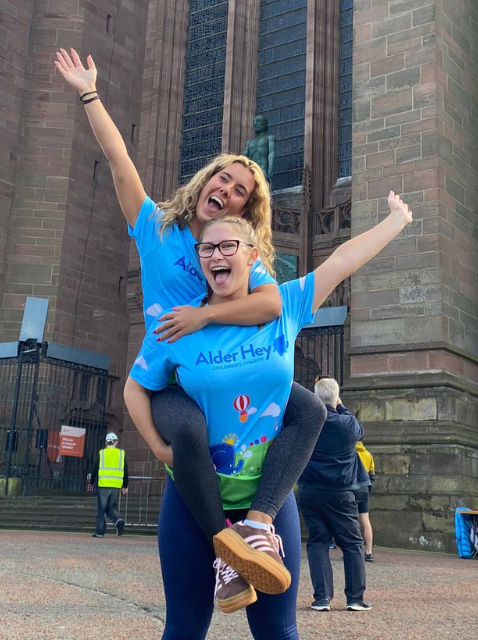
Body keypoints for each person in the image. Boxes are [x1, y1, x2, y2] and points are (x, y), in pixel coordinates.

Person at [55, 46, 326, 578]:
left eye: (240, 191)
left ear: (244, 210)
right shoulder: (155, 227)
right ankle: (226, 546)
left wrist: (203, 317)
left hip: (225, 364)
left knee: (312, 410)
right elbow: (120, 161)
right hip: (174, 374)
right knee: (191, 430)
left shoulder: (239, 253)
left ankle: (257, 522)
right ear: (206, 181)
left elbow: (272, 303)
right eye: (222, 179)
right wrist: (90, 93)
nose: (226, 190)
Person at [125, 195, 412, 636]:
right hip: (193, 500)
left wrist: (396, 221)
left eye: (228, 246)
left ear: (252, 255)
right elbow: (137, 386)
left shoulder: (285, 306)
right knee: (183, 629)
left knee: (278, 632)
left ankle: (252, 531)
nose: (216, 255)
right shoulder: (178, 323)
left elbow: (341, 261)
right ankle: (226, 549)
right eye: (207, 248)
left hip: (267, 499)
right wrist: (159, 447)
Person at [297, 376, 372, 612]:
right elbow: (359, 431)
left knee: (318, 542)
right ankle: (355, 598)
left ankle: (322, 598)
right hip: (340, 491)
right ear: (337, 398)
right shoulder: (347, 423)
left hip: (310, 489)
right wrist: (340, 405)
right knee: (352, 544)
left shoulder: (307, 421)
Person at [87, 432, 129, 538]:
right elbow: (125, 470)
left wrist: (91, 481)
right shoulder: (121, 454)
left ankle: (100, 532)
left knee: (101, 509)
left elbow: (95, 468)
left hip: (103, 485)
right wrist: (125, 485)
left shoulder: (102, 453)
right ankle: (118, 521)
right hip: (116, 485)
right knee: (111, 507)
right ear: (116, 442)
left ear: (106, 442)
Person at [355, 439, 375, 562]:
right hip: (364, 489)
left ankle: (355, 550)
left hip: (352, 488)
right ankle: (369, 551)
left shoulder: (350, 453)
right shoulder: (368, 455)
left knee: (352, 520)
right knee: (365, 520)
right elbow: (372, 475)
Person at [242, 115, 275, 179]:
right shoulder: (249, 142)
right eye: (254, 121)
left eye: (258, 121)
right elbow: (243, 158)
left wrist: (270, 170)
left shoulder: (269, 138)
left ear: (265, 124)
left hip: (263, 171)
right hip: (251, 172)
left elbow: (271, 153)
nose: (255, 124)